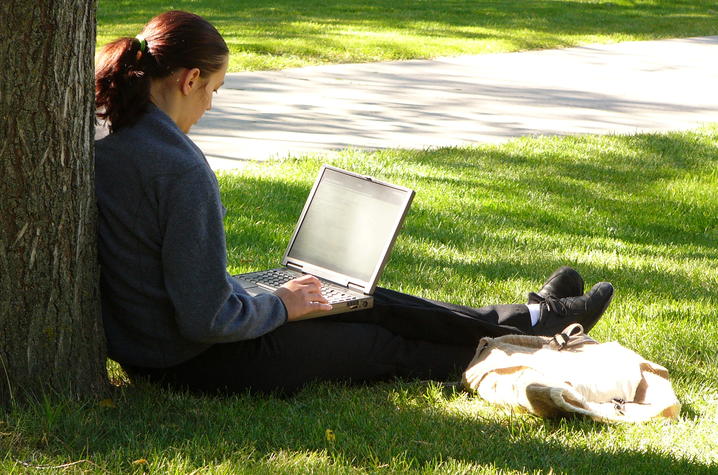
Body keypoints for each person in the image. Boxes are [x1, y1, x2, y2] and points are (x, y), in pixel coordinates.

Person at [95, 11, 615, 396]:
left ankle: (532, 316)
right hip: (196, 359)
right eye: (214, 90)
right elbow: (206, 319)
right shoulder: (180, 169)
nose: (211, 105)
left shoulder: (108, 139)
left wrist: (266, 295)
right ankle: (543, 346)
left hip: (159, 345)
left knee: (373, 301)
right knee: (379, 342)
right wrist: (279, 304)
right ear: (189, 80)